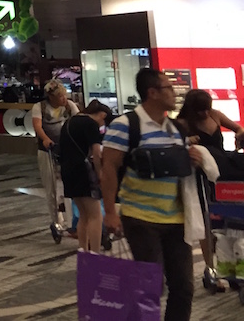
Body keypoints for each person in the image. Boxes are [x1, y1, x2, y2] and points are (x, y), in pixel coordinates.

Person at [102, 68, 215, 321]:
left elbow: (177, 166)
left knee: (184, 288)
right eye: (169, 88)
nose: (174, 93)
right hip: (140, 217)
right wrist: (110, 212)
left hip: (176, 219)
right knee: (150, 287)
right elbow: (108, 168)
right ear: (152, 92)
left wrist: (193, 159)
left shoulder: (175, 128)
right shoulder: (126, 125)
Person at [175, 88, 244, 289]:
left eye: (207, 109)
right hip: (198, 175)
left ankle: (229, 267)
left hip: (221, 172)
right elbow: (173, 145)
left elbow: (238, 128)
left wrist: (239, 135)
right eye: (200, 111)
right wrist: (187, 141)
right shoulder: (183, 123)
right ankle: (209, 266)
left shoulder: (216, 115)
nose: (205, 114)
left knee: (225, 221)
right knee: (205, 221)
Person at [58, 100, 112, 252]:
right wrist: (100, 172)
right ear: (102, 115)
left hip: (68, 171)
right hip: (84, 172)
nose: (102, 126)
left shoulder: (68, 122)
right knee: (95, 215)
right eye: (103, 122)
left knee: (83, 214)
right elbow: (96, 151)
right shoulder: (90, 124)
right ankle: (94, 252)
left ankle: (83, 250)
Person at [30, 79, 81, 237]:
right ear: (51, 97)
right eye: (60, 96)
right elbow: (37, 126)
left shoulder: (69, 106)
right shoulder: (40, 108)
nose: (64, 99)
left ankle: (74, 222)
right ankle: (56, 220)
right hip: (47, 150)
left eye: (64, 95)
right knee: (51, 187)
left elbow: (79, 122)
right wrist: (45, 139)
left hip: (66, 149)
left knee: (70, 186)